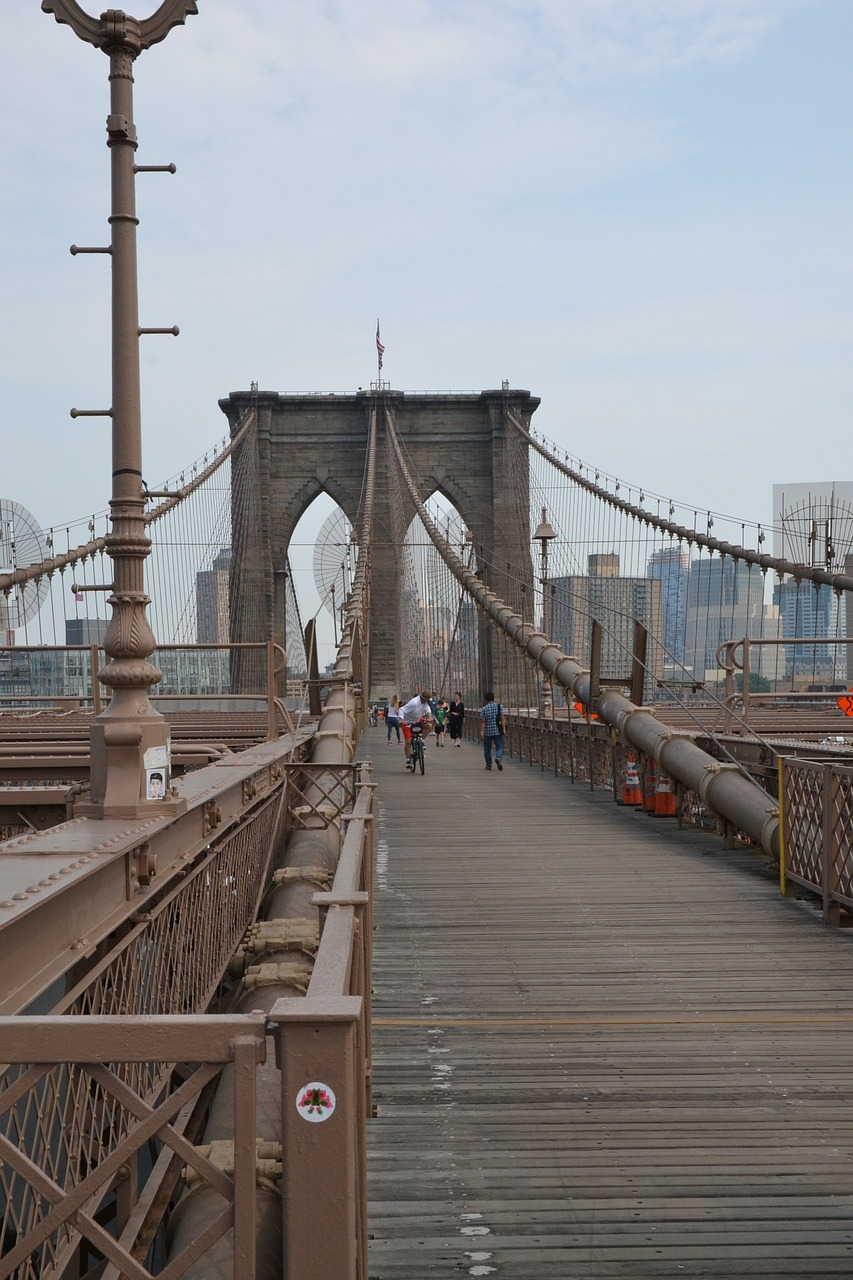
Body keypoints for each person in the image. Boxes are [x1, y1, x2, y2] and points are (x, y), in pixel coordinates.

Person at [399, 690, 434, 770]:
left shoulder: (425, 704)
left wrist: (429, 718)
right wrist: (402, 719)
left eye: (426, 700)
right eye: (424, 699)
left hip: (417, 720)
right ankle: (408, 759)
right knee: (408, 742)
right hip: (408, 722)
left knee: (429, 726)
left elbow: (428, 712)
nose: (425, 701)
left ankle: (422, 740)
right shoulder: (414, 702)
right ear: (421, 697)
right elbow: (402, 709)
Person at [479, 691, 505, 771]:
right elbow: (502, 718)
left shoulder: (484, 709)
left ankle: (489, 765)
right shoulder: (499, 706)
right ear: (493, 698)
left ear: (486, 699)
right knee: (499, 747)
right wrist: (504, 729)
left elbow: (483, 721)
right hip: (497, 731)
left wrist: (482, 731)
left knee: (487, 749)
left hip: (488, 732)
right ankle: (498, 757)